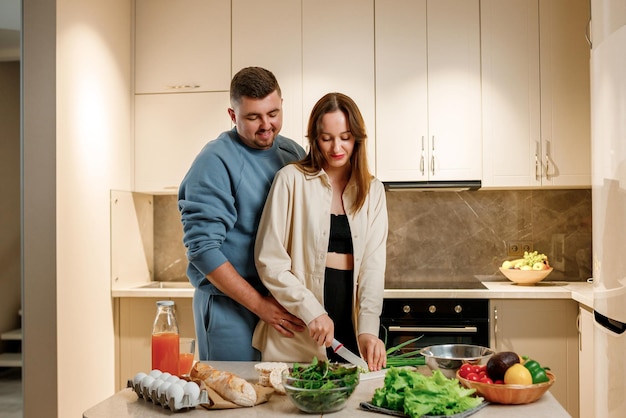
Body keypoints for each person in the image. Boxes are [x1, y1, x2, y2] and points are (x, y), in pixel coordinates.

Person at [252, 92, 389, 371]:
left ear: (357, 139)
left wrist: (368, 330)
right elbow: (270, 261)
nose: (336, 147)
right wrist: (312, 311)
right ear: (315, 139)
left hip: (349, 328)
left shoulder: (373, 190)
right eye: (326, 138)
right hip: (299, 327)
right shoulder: (290, 180)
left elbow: (373, 268)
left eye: (345, 137)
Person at [178, 67, 307, 361]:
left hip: (281, 305)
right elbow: (203, 250)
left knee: (277, 401)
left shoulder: (292, 153)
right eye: (253, 117)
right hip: (231, 310)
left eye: (273, 113)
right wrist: (261, 306)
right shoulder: (214, 161)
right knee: (235, 400)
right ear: (233, 115)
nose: (266, 125)